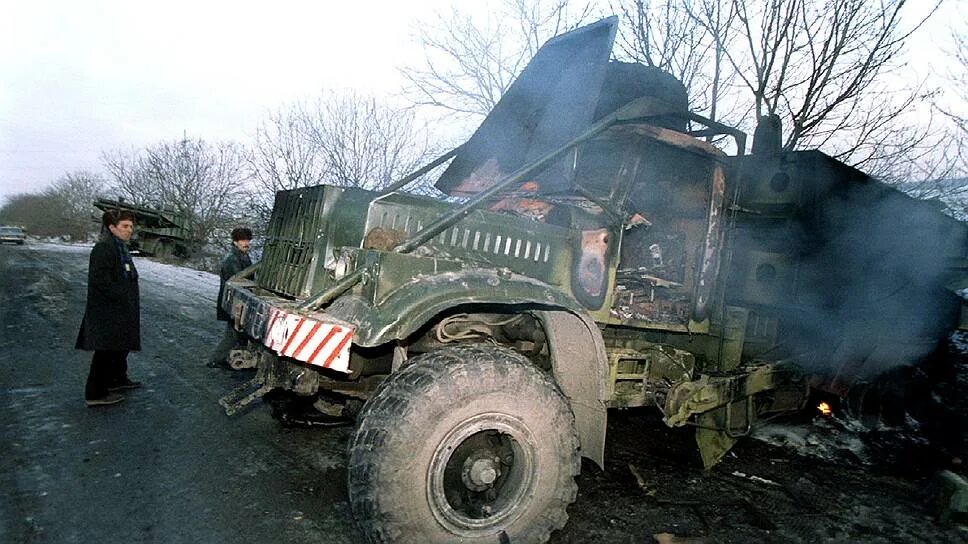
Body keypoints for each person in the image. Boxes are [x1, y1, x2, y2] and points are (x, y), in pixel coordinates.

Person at [76, 210, 142, 407]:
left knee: (120, 347)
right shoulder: (104, 248)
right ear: (112, 227)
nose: (129, 230)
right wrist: (121, 295)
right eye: (124, 226)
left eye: (131, 226)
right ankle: (95, 393)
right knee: (106, 350)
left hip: (121, 308)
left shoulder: (119, 247)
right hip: (108, 310)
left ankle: (116, 379)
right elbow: (100, 281)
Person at [208, 227, 254, 368]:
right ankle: (217, 359)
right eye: (242, 240)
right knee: (233, 333)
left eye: (247, 240)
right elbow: (237, 281)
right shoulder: (232, 259)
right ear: (235, 242)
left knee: (238, 333)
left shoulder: (242, 256)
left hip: (237, 301)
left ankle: (235, 358)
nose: (246, 243)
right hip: (233, 300)